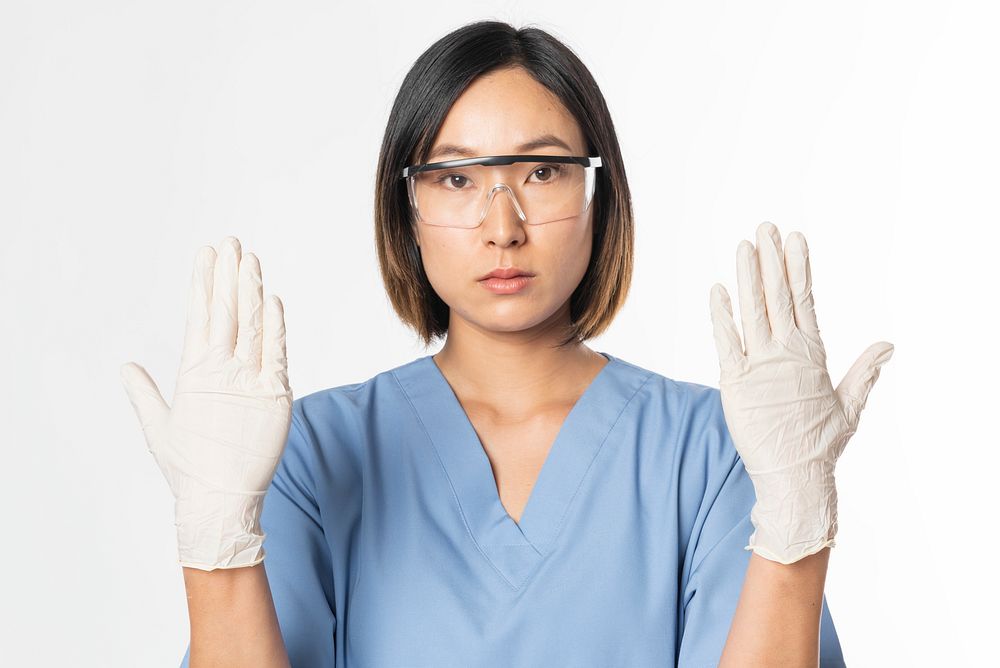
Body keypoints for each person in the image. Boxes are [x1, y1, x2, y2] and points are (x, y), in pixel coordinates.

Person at [121, 20, 892, 667]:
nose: (502, 225)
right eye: (455, 178)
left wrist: (794, 527)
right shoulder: (306, 455)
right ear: (407, 208)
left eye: (544, 172)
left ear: (601, 195)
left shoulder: (721, 452)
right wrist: (215, 542)